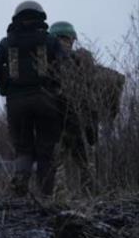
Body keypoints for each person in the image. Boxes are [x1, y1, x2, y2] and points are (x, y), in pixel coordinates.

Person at [0, 1, 66, 197]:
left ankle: (19, 196)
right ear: (41, 17)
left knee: (23, 150)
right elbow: (67, 73)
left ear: (17, 18)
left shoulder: (6, 43)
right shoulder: (51, 41)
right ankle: (46, 198)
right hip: (46, 102)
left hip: (16, 104)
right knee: (46, 153)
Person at [50, 21, 125, 197]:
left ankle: (60, 201)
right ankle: (93, 200)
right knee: (85, 164)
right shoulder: (86, 63)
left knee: (57, 164)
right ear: (72, 39)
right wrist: (109, 116)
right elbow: (116, 80)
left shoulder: (52, 63)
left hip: (61, 123)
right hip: (86, 124)